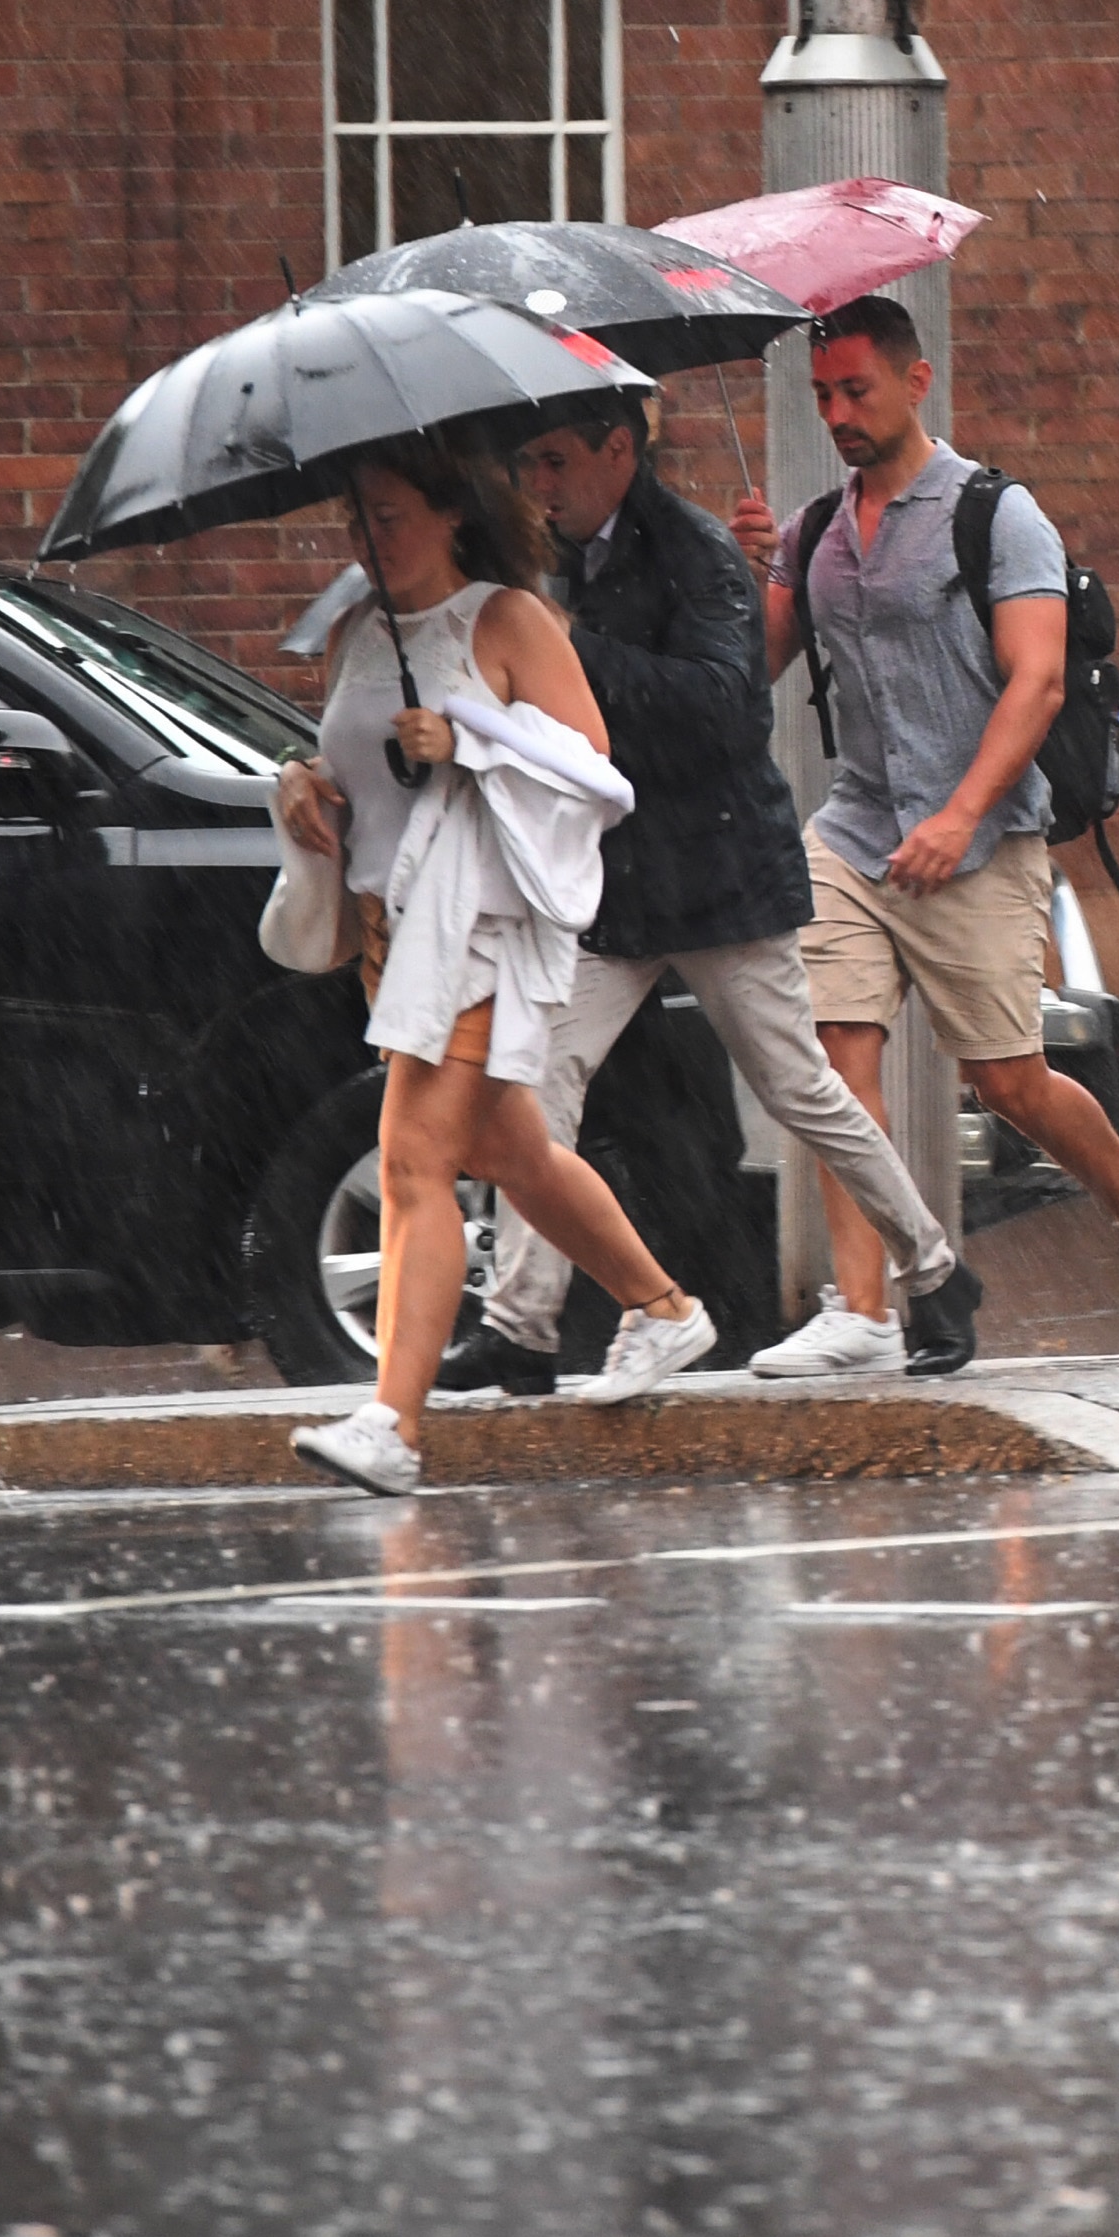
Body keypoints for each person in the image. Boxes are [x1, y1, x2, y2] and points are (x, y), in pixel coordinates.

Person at [441, 402, 976, 1391]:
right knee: (536, 1083)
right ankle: (519, 1327)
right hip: (616, 878)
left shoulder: (693, 552)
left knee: (800, 1089)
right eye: (528, 464)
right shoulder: (547, 558)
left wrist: (566, 646)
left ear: (618, 449)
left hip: (720, 870)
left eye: (555, 460)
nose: (541, 484)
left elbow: (721, 709)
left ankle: (936, 1274)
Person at [754, 299, 1119, 1352]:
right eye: (823, 394)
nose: (837, 413)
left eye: (855, 390)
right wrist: (754, 575)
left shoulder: (997, 515)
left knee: (1007, 1082)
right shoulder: (815, 531)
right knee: (831, 1060)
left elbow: (1040, 680)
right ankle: (863, 1308)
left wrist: (962, 815)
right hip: (857, 831)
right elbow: (748, 672)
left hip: (981, 837)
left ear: (917, 383)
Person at [280, 432, 718, 1495]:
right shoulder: (353, 626)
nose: (369, 537)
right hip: (392, 933)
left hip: (470, 931)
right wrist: (299, 783)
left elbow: (593, 772)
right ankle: (666, 1310)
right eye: (357, 519)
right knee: (513, 1151)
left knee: (412, 1163)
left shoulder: (508, 618)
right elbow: (344, 763)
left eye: (388, 515)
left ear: (450, 516)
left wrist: (470, 739)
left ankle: (394, 1421)